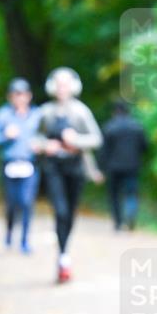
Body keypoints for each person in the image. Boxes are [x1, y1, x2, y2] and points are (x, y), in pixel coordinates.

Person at [33, 67, 103, 283]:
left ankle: (64, 252)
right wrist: (47, 146)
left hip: (76, 170)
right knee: (60, 211)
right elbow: (34, 140)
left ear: (73, 87)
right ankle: (63, 258)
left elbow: (96, 139)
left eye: (66, 84)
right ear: (53, 87)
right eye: (59, 84)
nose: (62, 88)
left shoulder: (81, 112)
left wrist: (75, 140)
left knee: (70, 213)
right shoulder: (45, 112)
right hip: (53, 169)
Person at [0, 78, 41, 254]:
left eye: (23, 94)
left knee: (27, 202)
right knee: (12, 203)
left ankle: (25, 240)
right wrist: (6, 135)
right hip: (9, 164)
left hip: (29, 164)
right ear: (10, 97)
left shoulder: (37, 115)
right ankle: (10, 232)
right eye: (16, 94)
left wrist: (40, 145)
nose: (20, 98)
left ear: (29, 96)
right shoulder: (2, 115)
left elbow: (46, 137)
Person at [100, 101, 149, 231]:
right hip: (132, 166)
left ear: (114, 112)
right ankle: (130, 215)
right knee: (131, 193)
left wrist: (102, 169)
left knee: (114, 195)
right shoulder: (137, 127)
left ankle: (118, 223)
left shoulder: (109, 127)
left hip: (114, 167)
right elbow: (145, 147)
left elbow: (104, 151)